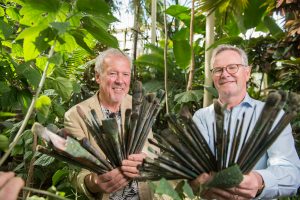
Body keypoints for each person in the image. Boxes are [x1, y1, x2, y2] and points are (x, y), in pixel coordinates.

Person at [191, 44, 300, 199]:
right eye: (218, 69)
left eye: (232, 67)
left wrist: (260, 181)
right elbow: (194, 167)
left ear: (247, 72)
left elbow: (291, 172)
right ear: (213, 76)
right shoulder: (201, 118)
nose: (225, 74)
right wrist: (197, 181)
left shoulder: (272, 115)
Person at [64, 48, 153, 200]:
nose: (120, 80)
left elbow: (152, 147)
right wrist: (95, 182)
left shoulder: (139, 105)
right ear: (98, 77)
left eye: (125, 74)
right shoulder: (76, 115)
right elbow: (75, 172)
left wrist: (145, 158)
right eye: (113, 73)